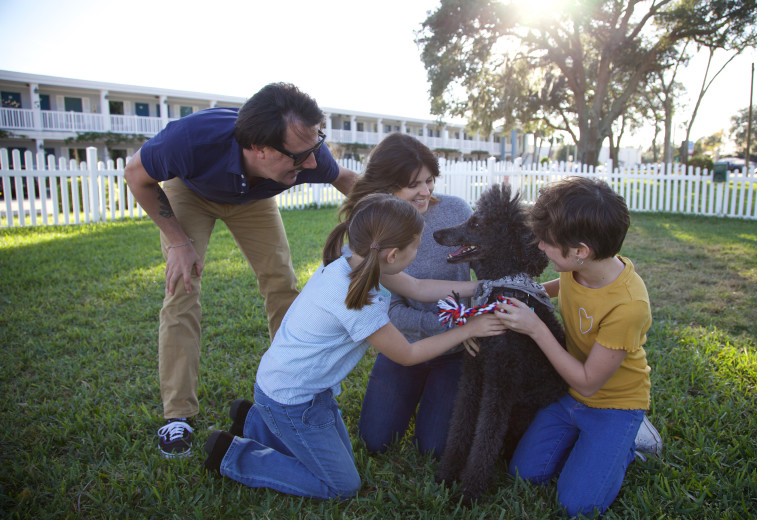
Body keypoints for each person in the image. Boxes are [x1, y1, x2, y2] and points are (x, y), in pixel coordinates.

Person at [202, 194, 505, 499]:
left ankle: (253, 419)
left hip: (303, 390)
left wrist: (482, 287)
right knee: (342, 485)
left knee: (339, 459)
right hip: (292, 400)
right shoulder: (359, 301)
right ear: (392, 255)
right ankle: (233, 454)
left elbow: (417, 287)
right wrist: (470, 327)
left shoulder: (355, 260)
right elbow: (408, 354)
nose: (419, 250)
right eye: (416, 245)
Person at [123, 83, 359, 458]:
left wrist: (404, 213)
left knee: (281, 283)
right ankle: (177, 416)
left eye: (317, 148)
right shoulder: (191, 140)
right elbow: (136, 175)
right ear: (259, 149)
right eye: (301, 157)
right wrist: (179, 242)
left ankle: (295, 392)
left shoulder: (307, 152)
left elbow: (347, 181)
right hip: (191, 192)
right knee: (181, 289)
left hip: (253, 197)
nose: (313, 163)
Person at [494, 176, 652, 517]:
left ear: (581, 251)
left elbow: (587, 382)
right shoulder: (579, 266)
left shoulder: (628, 306)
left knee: (577, 505)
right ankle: (591, 448)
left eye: (547, 242)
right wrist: (524, 288)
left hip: (613, 404)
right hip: (569, 397)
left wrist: (536, 328)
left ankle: (628, 442)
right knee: (523, 475)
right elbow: (560, 285)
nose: (540, 247)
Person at [352, 133, 473, 458]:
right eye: (413, 185)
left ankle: (437, 400)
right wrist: (453, 325)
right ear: (387, 186)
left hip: (455, 351)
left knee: (434, 449)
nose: (425, 192)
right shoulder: (375, 229)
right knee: (374, 442)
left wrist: (471, 326)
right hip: (402, 346)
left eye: (429, 180)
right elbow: (387, 312)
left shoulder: (456, 211)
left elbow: (489, 276)